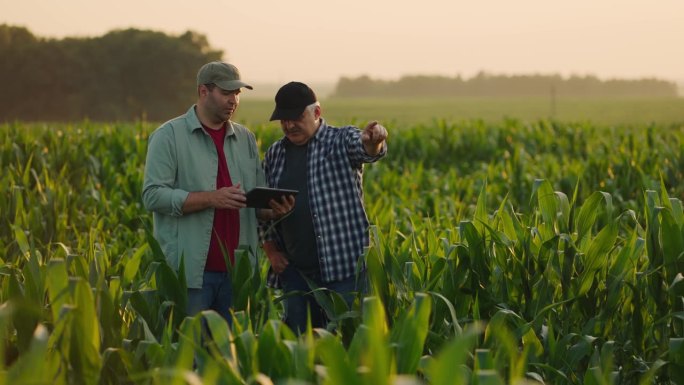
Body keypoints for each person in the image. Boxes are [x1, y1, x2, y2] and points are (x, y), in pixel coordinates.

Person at [142, 61, 293, 325]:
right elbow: (153, 195)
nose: (233, 100)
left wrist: (274, 209)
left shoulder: (245, 138)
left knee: (231, 360)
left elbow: (254, 203)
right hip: (191, 275)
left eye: (237, 94)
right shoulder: (168, 136)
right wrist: (211, 198)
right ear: (203, 92)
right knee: (190, 357)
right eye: (226, 93)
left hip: (238, 275)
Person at [261, 81, 388, 333]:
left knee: (349, 339)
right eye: (283, 119)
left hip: (343, 269)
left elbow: (366, 150)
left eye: (296, 117)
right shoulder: (276, 154)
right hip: (296, 273)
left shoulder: (341, 140)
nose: (289, 125)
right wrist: (272, 252)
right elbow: (262, 212)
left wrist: (373, 142)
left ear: (317, 113)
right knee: (301, 343)